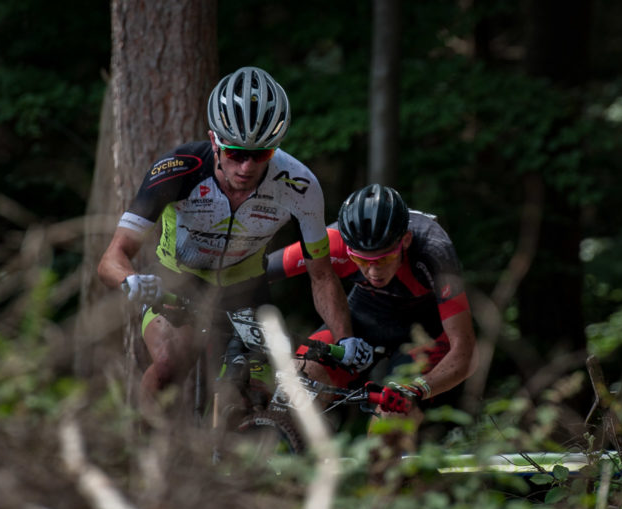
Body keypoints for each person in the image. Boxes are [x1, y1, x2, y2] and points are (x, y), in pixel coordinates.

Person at [97, 66, 372, 416]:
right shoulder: (179, 170)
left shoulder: (299, 186)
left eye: (261, 154)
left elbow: (321, 274)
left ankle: (233, 461)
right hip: (178, 281)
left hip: (245, 288)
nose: (246, 166)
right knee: (168, 366)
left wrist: (344, 337)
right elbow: (112, 257)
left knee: (250, 393)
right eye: (235, 153)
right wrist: (130, 280)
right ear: (215, 142)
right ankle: (139, 461)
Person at [266, 184, 477, 454]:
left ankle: (381, 486)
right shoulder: (333, 240)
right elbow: (256, 271)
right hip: (365, 315)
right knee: (298, 380)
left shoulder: (434, 250)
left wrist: (417, 389)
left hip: (424, 331)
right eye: (362, 261)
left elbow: (466, 350)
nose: (373, 271)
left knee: (390, 419)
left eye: (384, 258)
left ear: (406, 241)